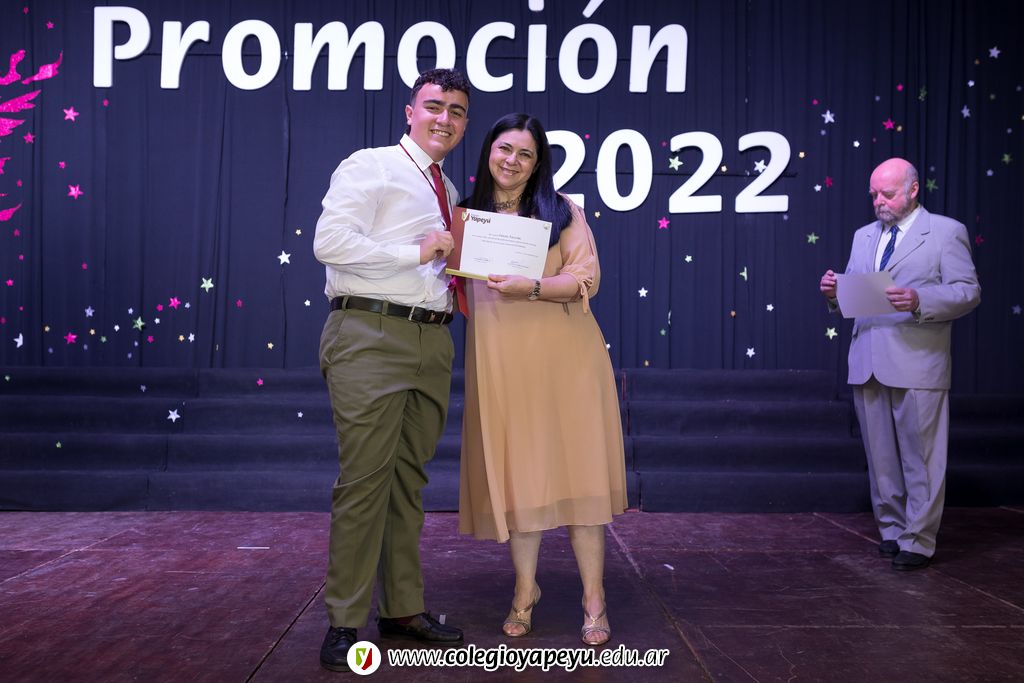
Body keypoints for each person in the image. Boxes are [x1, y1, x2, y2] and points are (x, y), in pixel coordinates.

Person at [312, 68, 470, 672]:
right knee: (365, 481)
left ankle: (403, 611)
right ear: (410, 111)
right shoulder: (371, 165)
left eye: (457, 111)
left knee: (408, 482)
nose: (445, 119)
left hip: (432, 340)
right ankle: (344, 621)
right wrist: (415, 251)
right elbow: (329, 243)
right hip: (370, 334)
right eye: (434, 106)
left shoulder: (447, 189)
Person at [457, 113, 628, 645]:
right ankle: (524, 590)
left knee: (582, 479)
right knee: (522, 481)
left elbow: (585, 278)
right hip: (503, 364)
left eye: (525, 154)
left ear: (538, 164)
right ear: (489, 151)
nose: (512, 160)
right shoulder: (465, 215)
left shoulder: (561, 210)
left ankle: (594, 598)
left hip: (567, 359)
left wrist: (530, 286)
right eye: (504, 148)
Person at [819, 157, 980, 571]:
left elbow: (968, 291)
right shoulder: (863, 236)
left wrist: (921, 299)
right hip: (868, 359)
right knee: (881, 460)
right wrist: (835, 294)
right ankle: (891, 530)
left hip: (918, 361)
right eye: (873, 194)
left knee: (921, 458)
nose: (879, 201)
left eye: (887, 194)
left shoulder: (945, 232)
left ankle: (919, 539)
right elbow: (855, 296)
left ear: (912, 190)